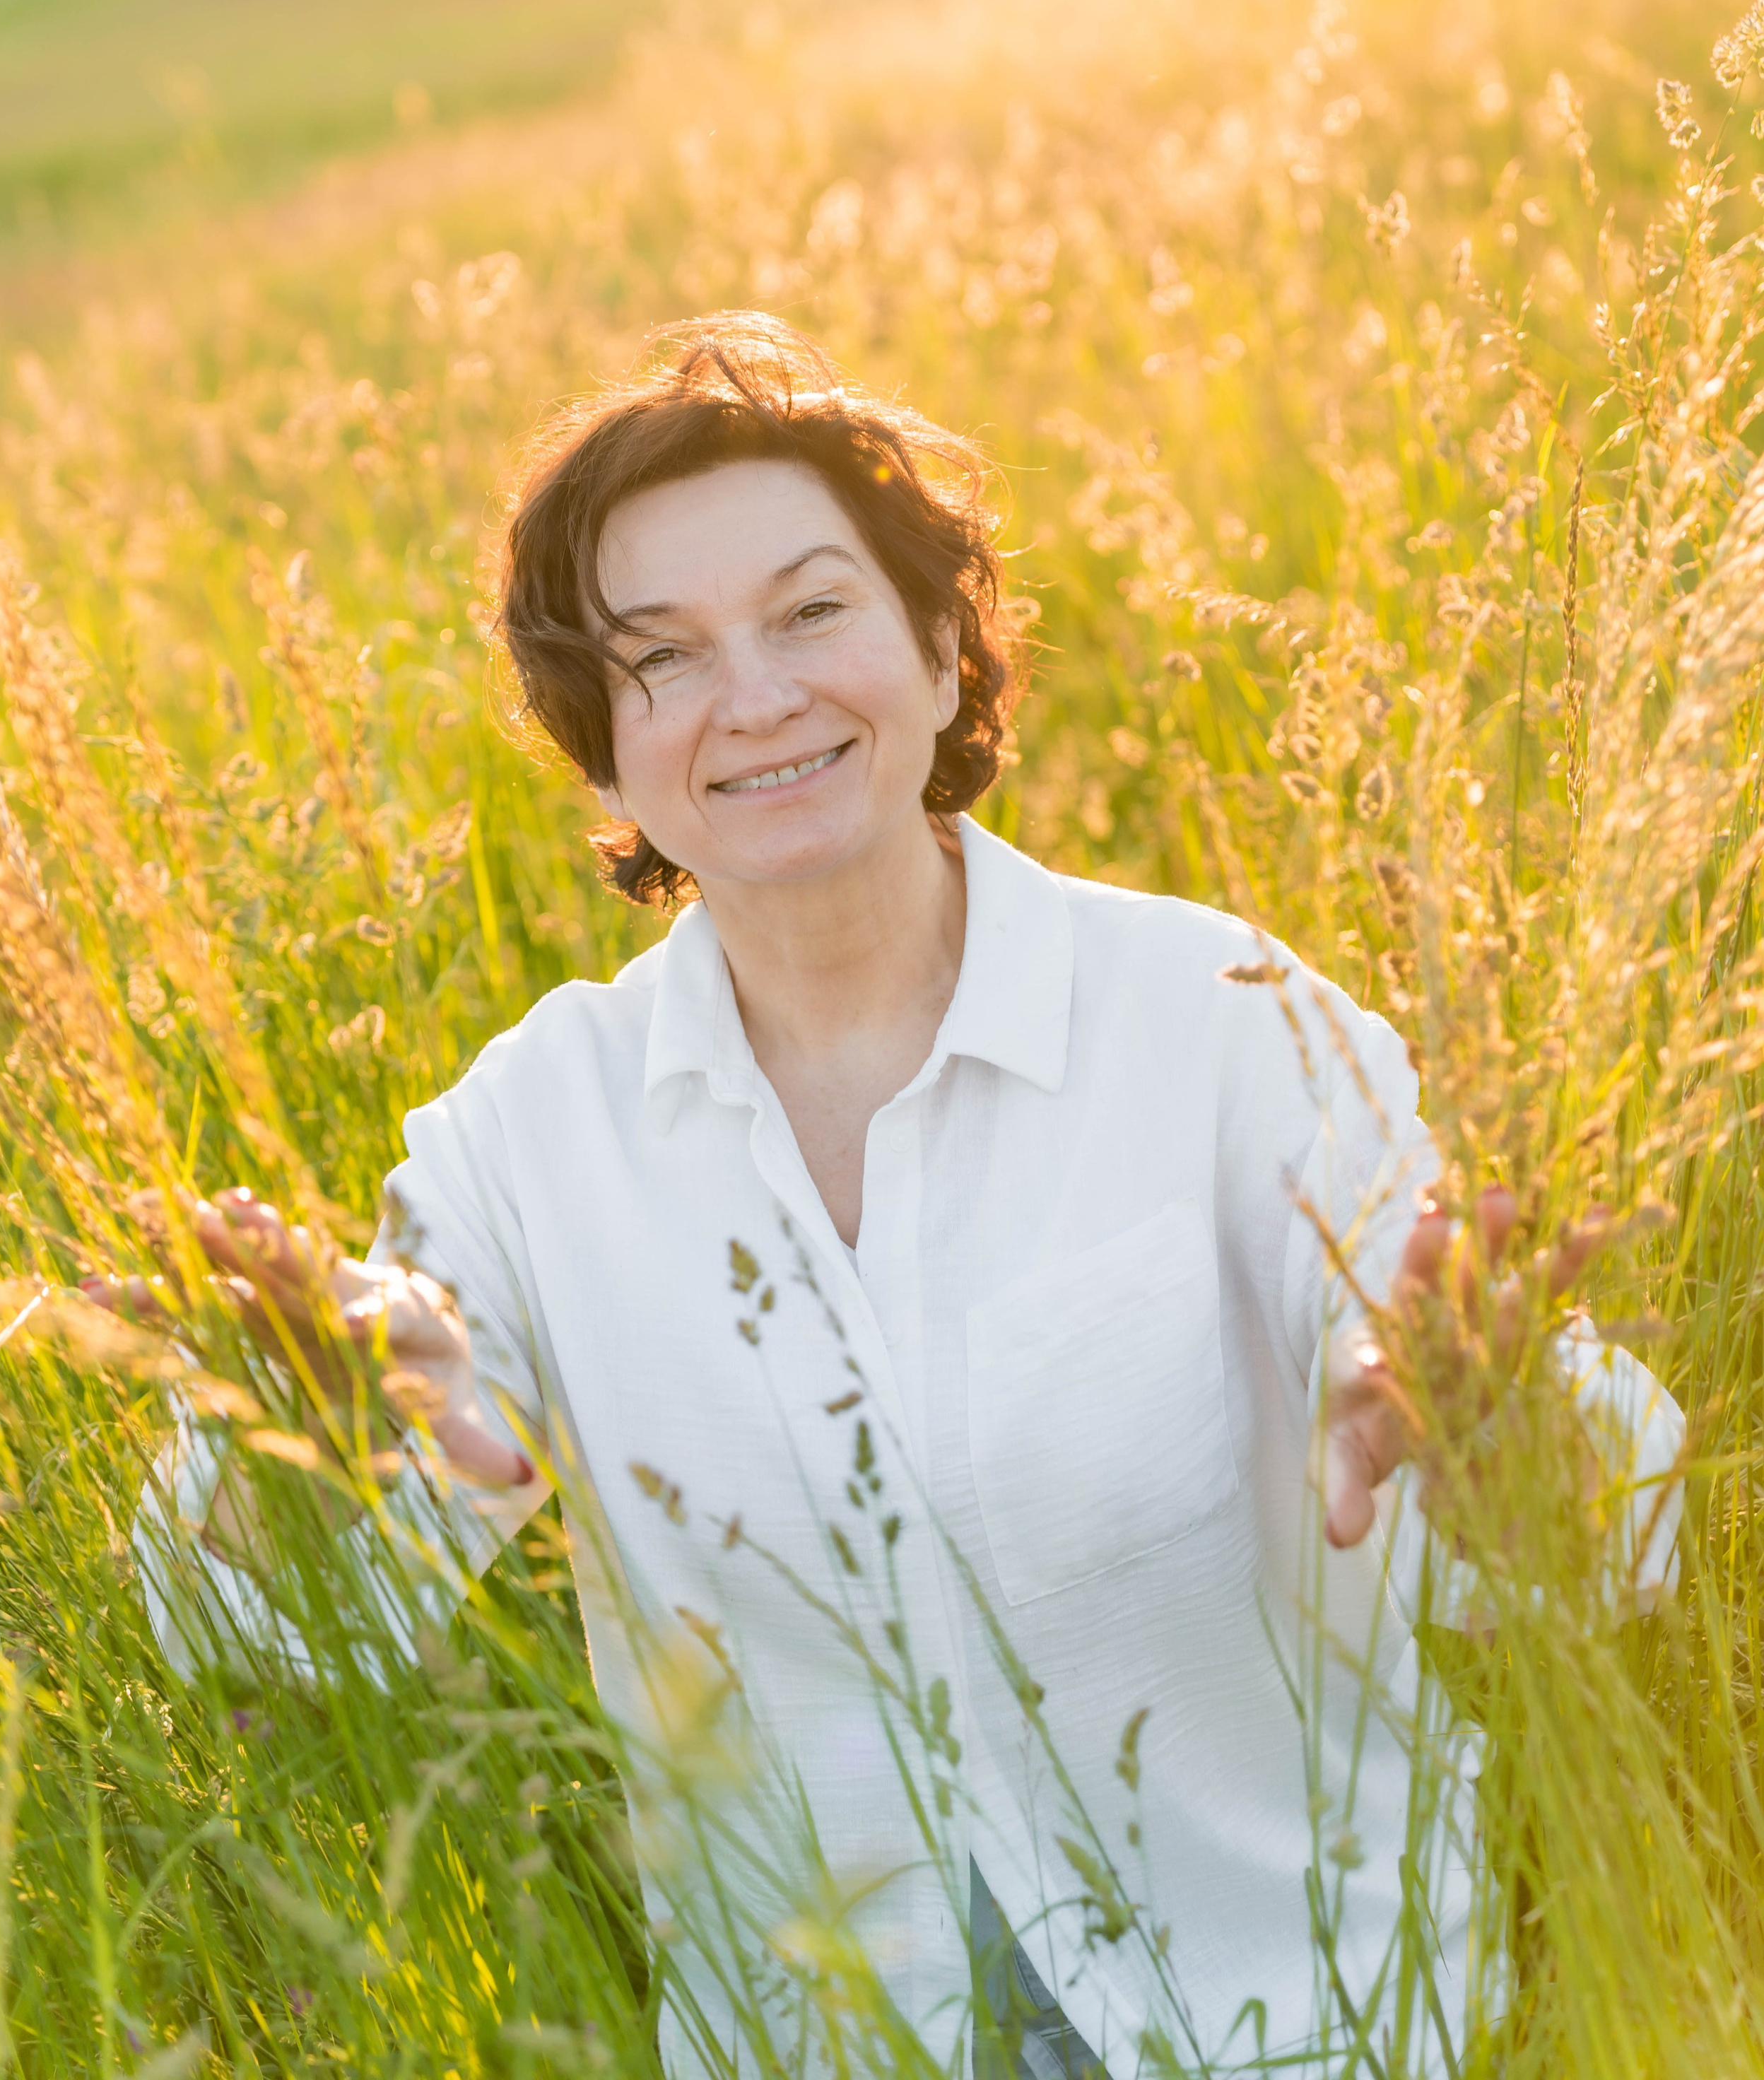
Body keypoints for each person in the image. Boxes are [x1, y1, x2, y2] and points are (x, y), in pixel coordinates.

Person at [100, 315, 1683, 2080]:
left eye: (810, 612)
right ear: (601, 750)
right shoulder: (529, 1140)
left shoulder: (1221, 1022)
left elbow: (1610, 1532)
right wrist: (293, 1438)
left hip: (1298, 2025)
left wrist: (1493, 1421)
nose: (755, 697)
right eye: (662, 658)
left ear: (941, 648)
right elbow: (268, 1625)